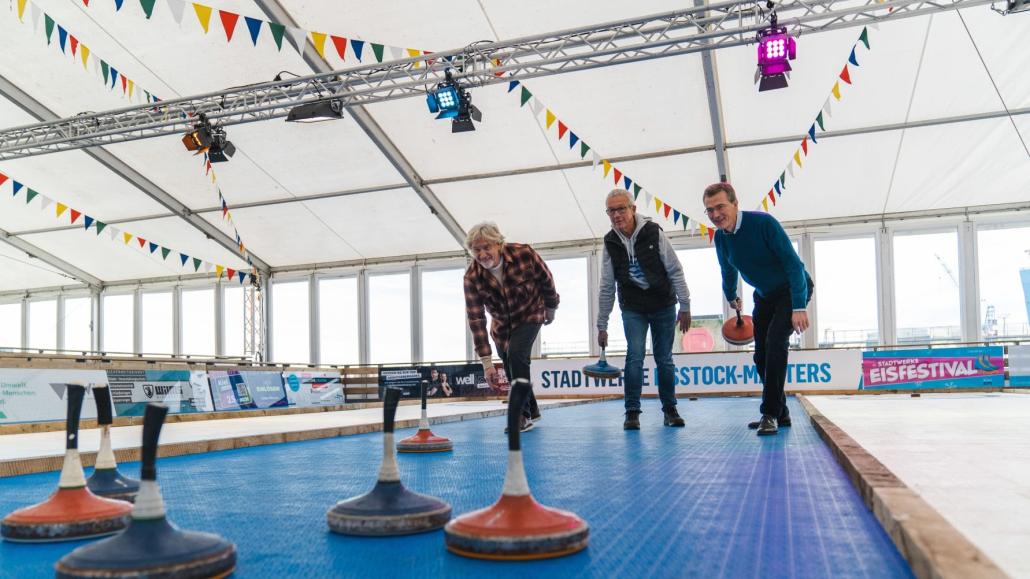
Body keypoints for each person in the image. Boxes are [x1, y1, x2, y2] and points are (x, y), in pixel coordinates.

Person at [703, 182, 814, 436]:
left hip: (792, 289)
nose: (715, 215)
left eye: (720, 207)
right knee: (760, 355)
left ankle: (770, 413)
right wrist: (731, 296)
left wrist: (798, 305)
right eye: (709, 210)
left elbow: (794, 266)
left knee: (776, 342)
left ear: (735, 203)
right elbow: (728, 270)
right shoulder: (720, 238)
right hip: (764, 295)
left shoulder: (763, 224)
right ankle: (781, 413)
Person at [597, 189, 691, 430]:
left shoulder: (654, 233)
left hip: (663, 304)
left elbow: (675, 269)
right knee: (634, 356)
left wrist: (686, 305)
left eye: (621, 209)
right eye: (611, 211)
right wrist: (602, 324)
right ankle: (632, 412)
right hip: (633, 307)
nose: (617, 215)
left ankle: (670, 409)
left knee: (664, 359)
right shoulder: (609, 242)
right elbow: (607, 286)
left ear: (633, 209)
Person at [464, 222, 559, 432]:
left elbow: (547, 280)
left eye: (487, 247)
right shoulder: (471, 277)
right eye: (476, 250)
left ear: (498, 244)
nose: (482, 254)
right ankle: (532, 411)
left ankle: (520, 415)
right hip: (501, 327)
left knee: (516, 356)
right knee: (511, 366)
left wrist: (551, 308)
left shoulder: (523, 253)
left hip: (530, 312)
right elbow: (476, 319)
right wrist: (487, 363)